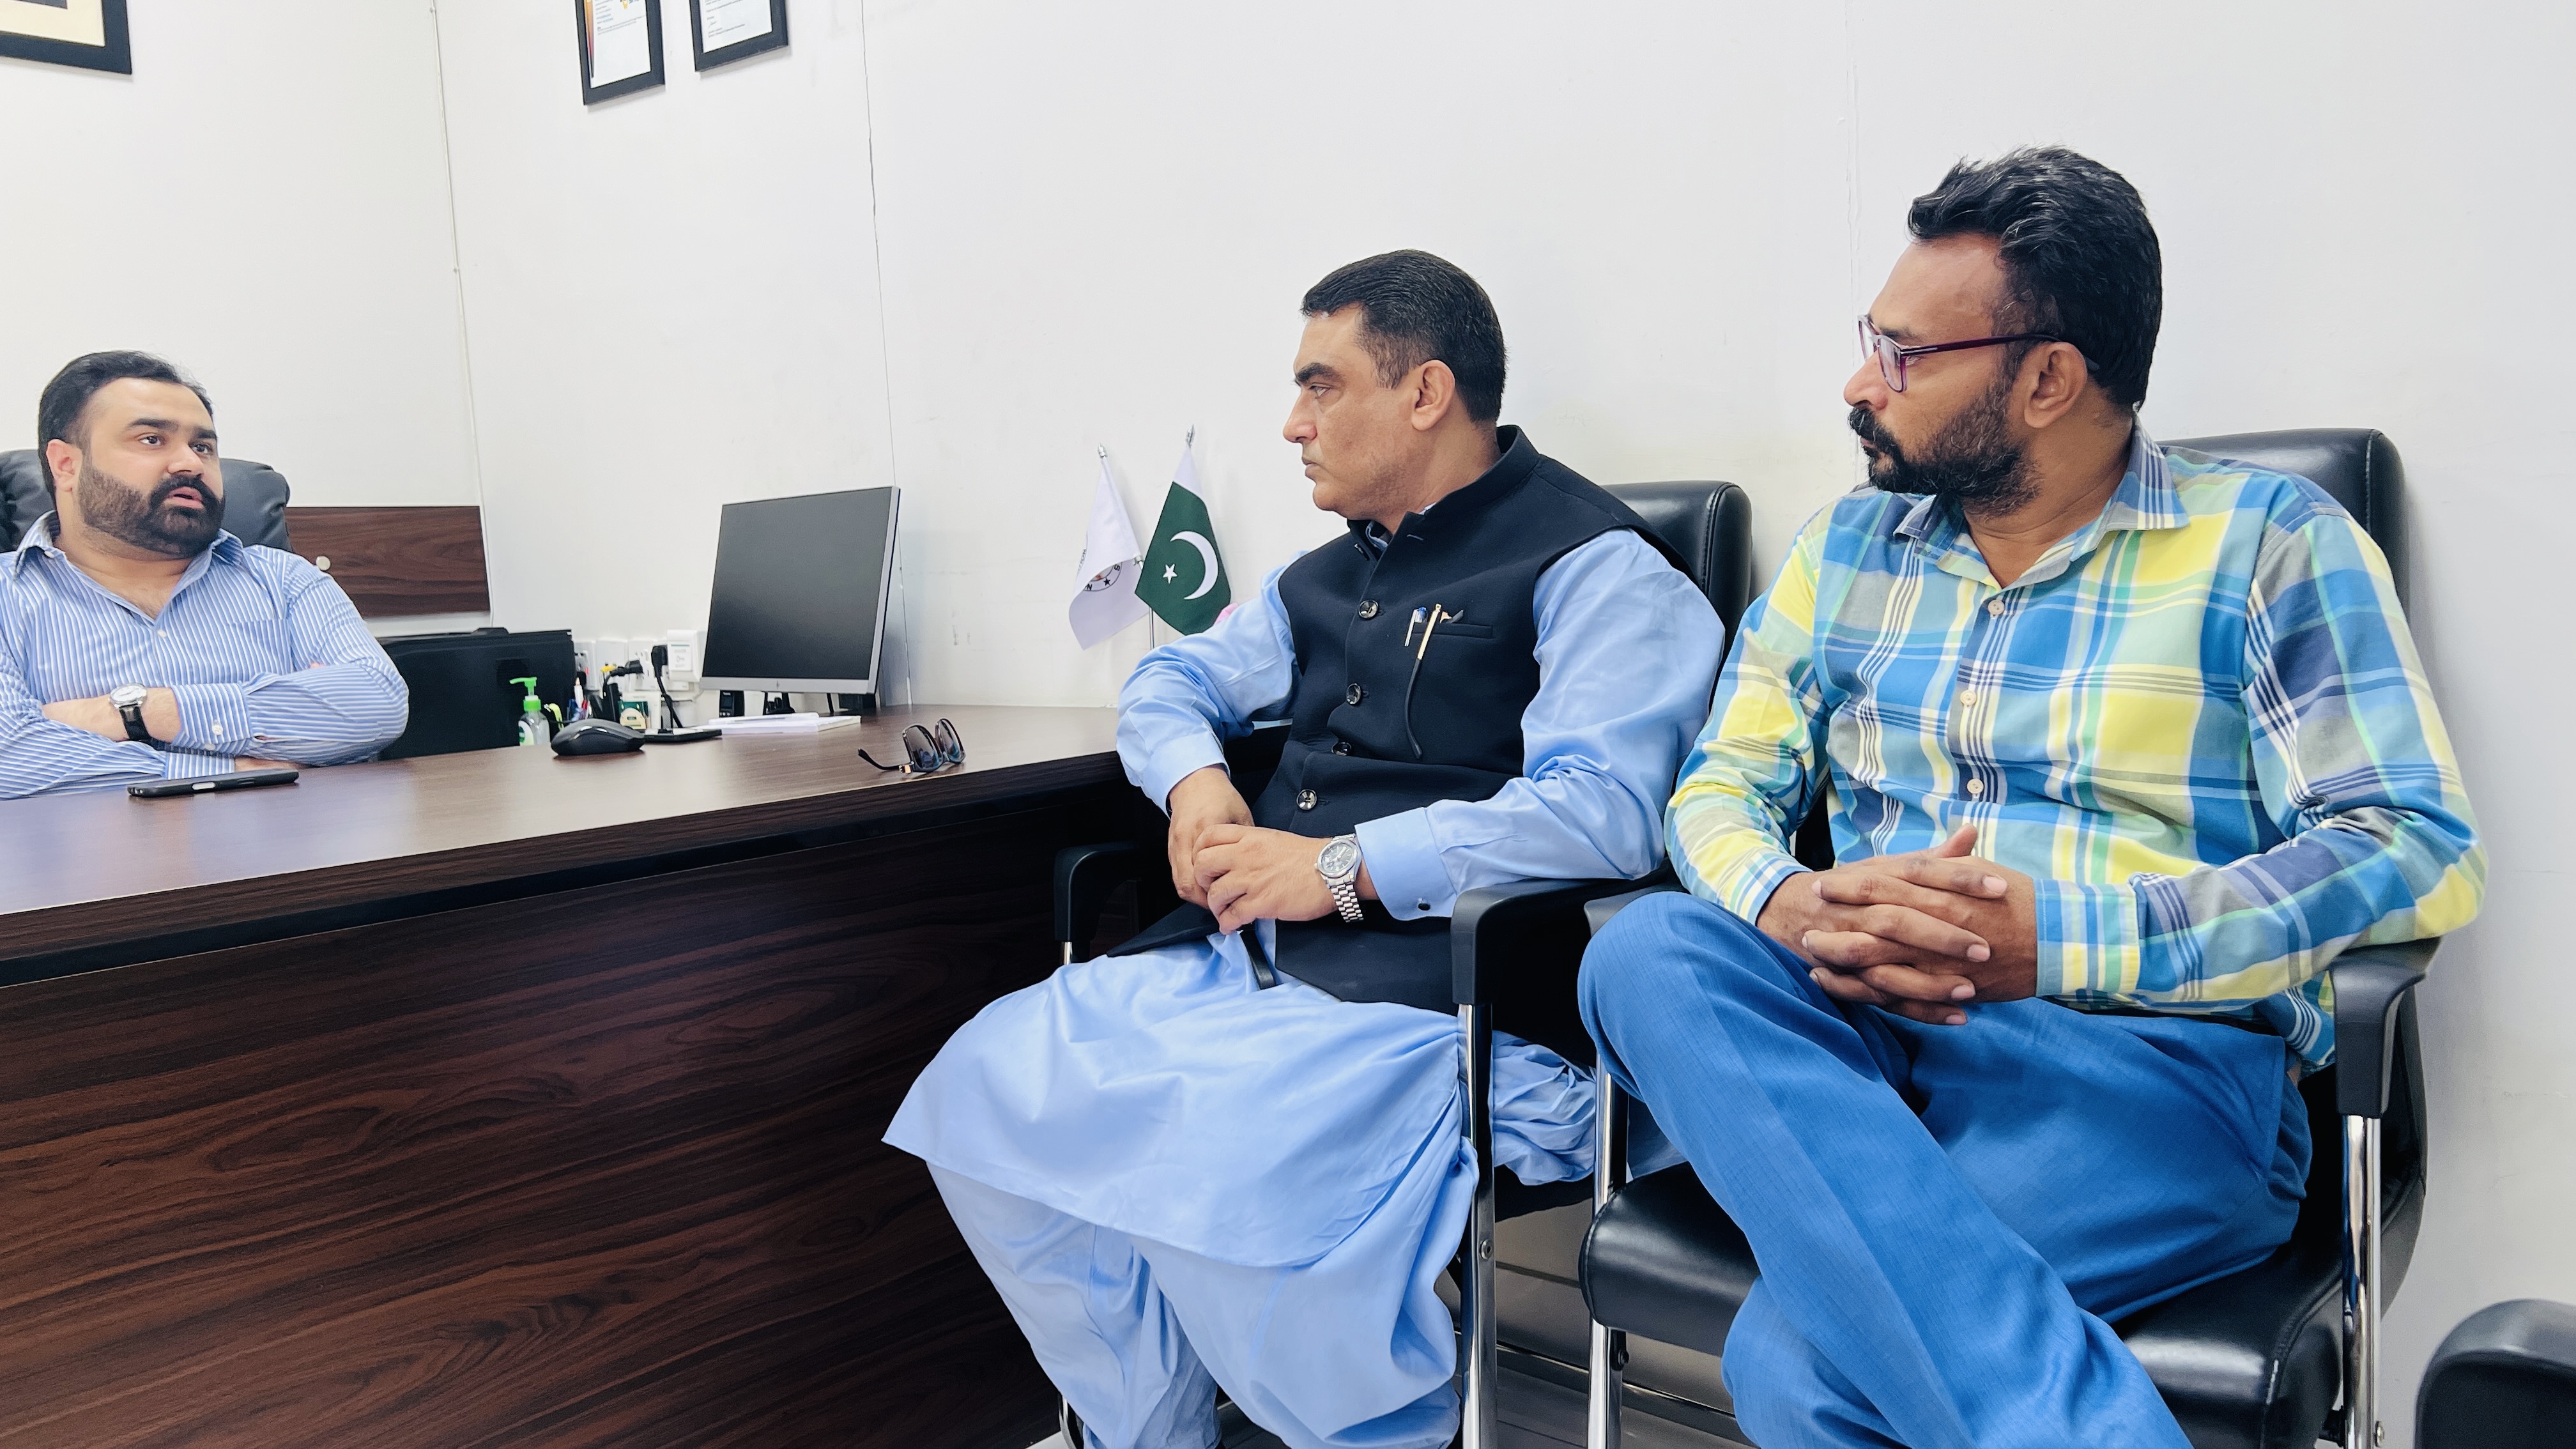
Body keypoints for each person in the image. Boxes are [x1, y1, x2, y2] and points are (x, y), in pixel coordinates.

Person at [1580, 148, 2485, 1449]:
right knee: (1647, 952)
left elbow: (2411, 844)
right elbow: (1720, 783)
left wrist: (2056, 939)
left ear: (2048, 379)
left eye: (1904, 357)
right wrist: (1791, 901)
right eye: (1871, 344)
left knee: (1801, 1367)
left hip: (2147, 1072)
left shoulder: (2269, 543)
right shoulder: (1847, 549)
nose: (1860, 386)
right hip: (1861, 1042)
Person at [887, 251, 1724, 1449]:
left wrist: (1340, 868)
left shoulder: (1601, 570)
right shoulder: (1322, 575)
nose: (1293, 423)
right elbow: (1170, 677)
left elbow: (1602, 811)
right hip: (1249, 961)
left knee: (1225, 1164)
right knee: (986, 1087)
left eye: (1320, 385)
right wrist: (1195, 784)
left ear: (1425, 392)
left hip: (1452, 996)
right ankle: (1150, 1432)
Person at [0, 352, 407, 797]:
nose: (191, 464)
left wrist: (135, 713)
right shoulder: (8, 597)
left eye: (202, 447)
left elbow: (377, 704)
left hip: (299, 839)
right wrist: (237, 767)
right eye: (152, 439)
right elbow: (11, 760)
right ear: (66, 465)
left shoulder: (284, 580)